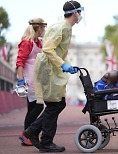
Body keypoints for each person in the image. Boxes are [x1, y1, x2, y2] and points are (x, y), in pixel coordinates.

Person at [23, 1, 84, 152]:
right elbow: (48, 49)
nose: (80, 15)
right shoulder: (61, 27)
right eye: (80, 12)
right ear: (75, 13)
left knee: (57, 104)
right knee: (56, 104)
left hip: (52, 66)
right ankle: (44, 141)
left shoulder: (65, 27)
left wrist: (66, 64)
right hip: (49, 67)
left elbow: (59, 51)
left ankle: (34, 132)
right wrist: (62, 65)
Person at [16, 18, 47, 146]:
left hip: (37, 78)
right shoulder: (27, 42)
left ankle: (26, 136)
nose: (44, 30)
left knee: (32, 108)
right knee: (39, 106)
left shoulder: (39, 42)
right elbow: (20, 62)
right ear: (39, 28)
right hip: (30, 79)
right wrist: (21, 79)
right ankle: (26, 133)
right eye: (43, 27)